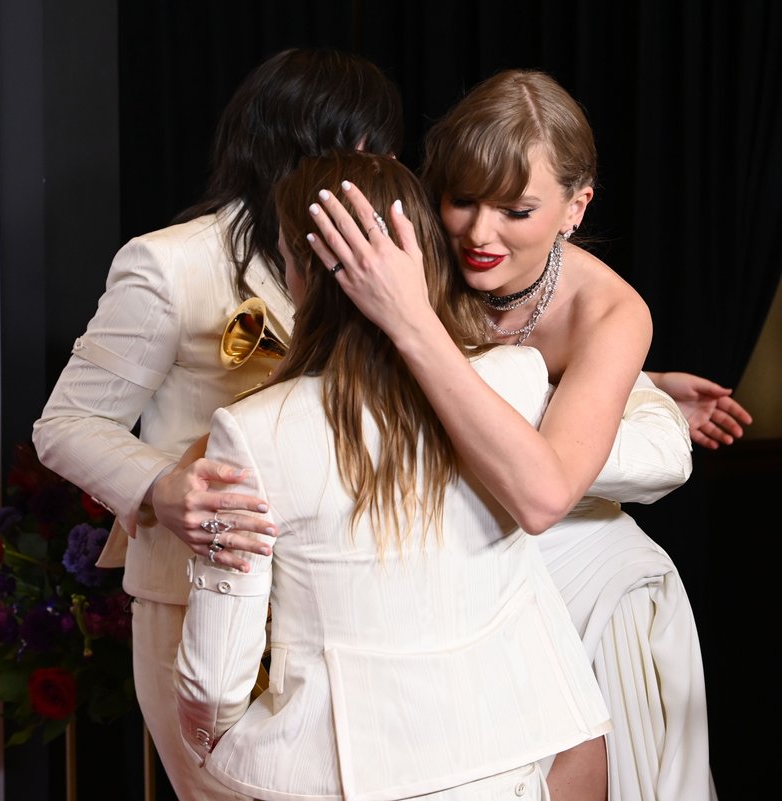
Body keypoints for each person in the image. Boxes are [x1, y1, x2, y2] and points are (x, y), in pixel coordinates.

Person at [305, 70, 736, 801]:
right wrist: (642, 384)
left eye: (517, 209)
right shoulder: (418, 250)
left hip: (583, 580)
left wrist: (412, 319)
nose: (479, 233)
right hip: (450, 581)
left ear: (576, 206)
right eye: (463, 199)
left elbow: (544, 494)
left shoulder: (610, 311)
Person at [174, 150, 612, 801]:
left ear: (298, 270)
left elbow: (213, 679)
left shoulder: (254, 430)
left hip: (329, 773)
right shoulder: (519, 379)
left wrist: (208, 738)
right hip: (502, 763)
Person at [31, 48, 404, 801]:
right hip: (195, 598)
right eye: (359, 145)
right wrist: (161, 486)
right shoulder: (169, 264)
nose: (377, 167)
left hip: (335, 603)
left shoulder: (376, 257)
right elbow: (65, 421)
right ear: (295, 144)